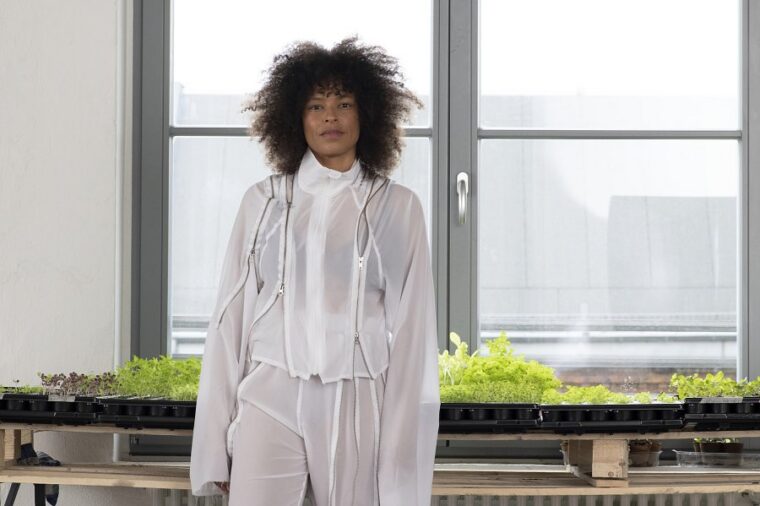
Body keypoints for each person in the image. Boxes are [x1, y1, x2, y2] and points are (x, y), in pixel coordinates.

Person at [189, 36, 440, 506]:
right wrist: (213, 448)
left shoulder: (398, 208)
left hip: (357, 397)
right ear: (295, 118)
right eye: (316, 106)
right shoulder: (263, 202)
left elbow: (412, 336)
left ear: (367, 114)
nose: (330, 117)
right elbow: (229, 322)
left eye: (344, 104)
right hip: (269, 395)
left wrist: (399, 456)